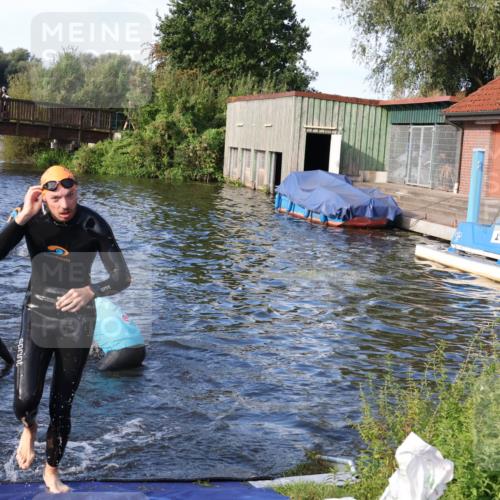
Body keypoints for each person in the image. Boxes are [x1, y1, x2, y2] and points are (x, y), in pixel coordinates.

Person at [0, 165, 131, 493]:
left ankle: (51, 472)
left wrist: (91, 291)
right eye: (55, 197)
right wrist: (22, 216)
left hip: (78, 320)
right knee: (24, 400)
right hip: (37, 314)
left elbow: (122, 277)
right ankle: (29, 427)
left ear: (78, 191)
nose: (64, 204)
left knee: (62, 403)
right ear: (42, 195)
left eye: (70, 195)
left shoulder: (92, 224)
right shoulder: (29, 216)